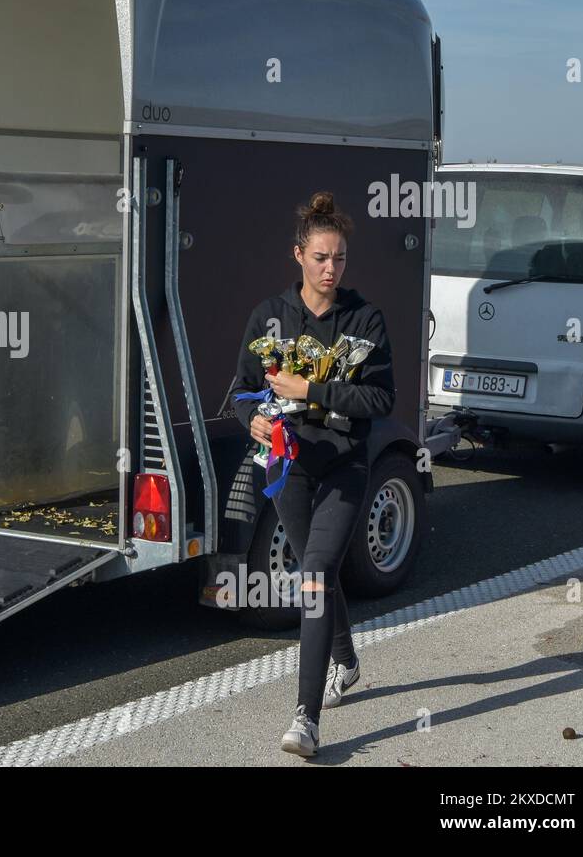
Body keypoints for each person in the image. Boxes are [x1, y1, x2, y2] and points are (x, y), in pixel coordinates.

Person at [227, 190, 395, 758]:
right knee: (314, 568)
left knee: (317, 572)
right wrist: (251, 420)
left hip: (346, 462)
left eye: (340, 258)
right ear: (297, 255)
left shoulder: (364, 319)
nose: (331, 268)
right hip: (288, 465)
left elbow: (380, 398)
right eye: (321, 257)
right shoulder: (269, 318)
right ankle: (345, 661)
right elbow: (241, 392)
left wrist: (312, 390)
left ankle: (307, 717)